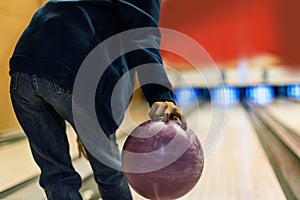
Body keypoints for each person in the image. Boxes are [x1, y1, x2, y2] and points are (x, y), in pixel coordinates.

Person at [9, 0, 187, 199]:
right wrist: (160, 95)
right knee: (109, 174)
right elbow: (142, 36)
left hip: (24, 68)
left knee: (56, 176)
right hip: (76, 73)